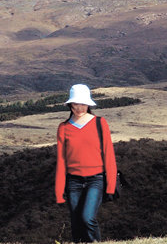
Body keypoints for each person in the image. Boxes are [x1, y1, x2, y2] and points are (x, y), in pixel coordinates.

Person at [55, 84, 117, 243]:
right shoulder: (63, 128)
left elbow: (108, 154)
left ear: (88, 104)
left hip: (96, 179)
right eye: (76, 103)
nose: (80, 107)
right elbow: (61, 161)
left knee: (88, 218)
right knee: (76, 223)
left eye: (83, 103)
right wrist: (59, 190)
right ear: (70, 105)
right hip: (73, 181)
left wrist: (110, 185)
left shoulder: (100, 123)